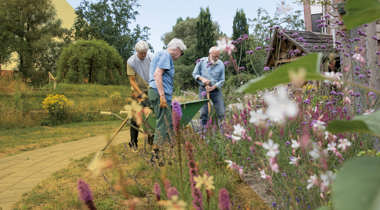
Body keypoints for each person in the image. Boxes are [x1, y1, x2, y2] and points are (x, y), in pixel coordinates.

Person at [148, 38, 186, 147]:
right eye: (181, 53)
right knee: (163, 122)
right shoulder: (166, 56)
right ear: (177, 49)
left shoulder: (160, 54)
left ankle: (171, 147)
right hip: (159, 92)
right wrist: (162, 96)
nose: (180, 56)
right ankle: (155, 154)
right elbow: (157, 74)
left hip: (156, 91)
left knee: (168, 120)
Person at [126, 40, 154, 150]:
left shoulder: (151, 58)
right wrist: (140, 93)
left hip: (150, 89)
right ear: (136, 51)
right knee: (135, 117)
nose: (143, 55)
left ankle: (152, 139)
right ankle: (133, 142)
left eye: (145, 52)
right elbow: (132, 81)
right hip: (136, 91)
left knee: (151, 115)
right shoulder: (131, 61)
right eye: (141, 53)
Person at [192, 46, 225, 130]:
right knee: (204, 112)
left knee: (221, 112)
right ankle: (203, 133)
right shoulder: (201, 62)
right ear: (209, 54)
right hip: (204, 90)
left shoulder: (221, 64)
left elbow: (222, 80)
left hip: (216, 90)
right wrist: (202, 79)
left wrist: (213, 87)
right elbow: (195, 73)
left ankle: (223, 131)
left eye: (218, 56)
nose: (216, 58)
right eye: (214, 56)